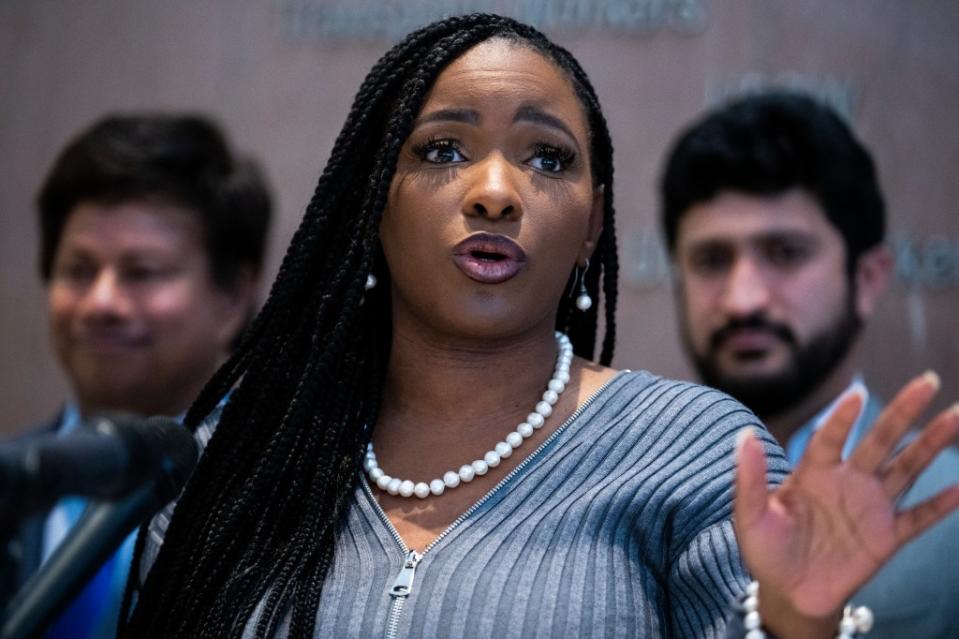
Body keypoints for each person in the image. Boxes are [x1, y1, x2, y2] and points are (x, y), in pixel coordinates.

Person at [120, 16, 959, 639]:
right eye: (442, 149)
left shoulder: (696, 447)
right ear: (371, 201)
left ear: (592, 227)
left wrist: (792, 621)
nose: (494, 191)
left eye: (547, 157)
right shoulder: (243, 458)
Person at [659, 90, 959, 636]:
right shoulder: (633, 497)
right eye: (711, 260)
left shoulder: (951, 509)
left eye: (785, 253)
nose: (742, 298)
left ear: (866, 280)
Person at [0, 114, 272, 638]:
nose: (102, 303)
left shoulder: (287, 497)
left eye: (142, 272)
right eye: (78, 271)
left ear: (233, 298)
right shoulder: (13, 480)